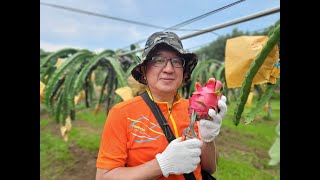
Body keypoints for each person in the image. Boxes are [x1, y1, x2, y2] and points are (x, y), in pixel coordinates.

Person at [95, 31, 227, 180]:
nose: (169, 69)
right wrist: (162, 164)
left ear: (184, 72)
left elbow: (210, 168)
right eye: (158, 60)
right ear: (144, 70)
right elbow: (104, 177)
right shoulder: (122, 113)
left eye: (176, 61)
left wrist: (208, 138)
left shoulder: (194, 108)